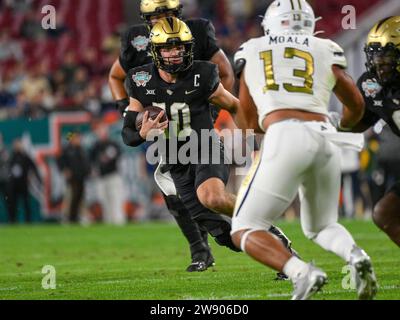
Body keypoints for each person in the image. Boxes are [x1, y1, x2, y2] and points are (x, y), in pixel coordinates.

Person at [231, 0, 377, 300]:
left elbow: (245, 119)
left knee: (244, 227)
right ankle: (357, 256)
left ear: (270, 23)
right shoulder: (325, 47)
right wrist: (343, 125)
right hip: (325, 136)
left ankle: (301, 272)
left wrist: (267, 125)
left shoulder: (252, 48)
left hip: (284, 133)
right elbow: (357, 105)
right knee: (322, 225)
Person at [109, 0, 235, 272]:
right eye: (155, 16)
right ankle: (200, 247)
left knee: (203, 193)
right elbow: (115, 76)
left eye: (167, 13)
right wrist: (130, 115)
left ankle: (241, 230)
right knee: (173, 192)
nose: (161, 20)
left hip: (197, 125)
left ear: (178, 14)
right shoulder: (136, 39)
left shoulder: (196, 31)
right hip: (165, 128)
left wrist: (210, 108)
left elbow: (225, 72)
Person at [345, 16, 400, 247]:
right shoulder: (371, 83)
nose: (380, 63)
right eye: (375, 55)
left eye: (386, 56)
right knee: (383, 215)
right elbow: (361, 121)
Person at [90, 125, 125, 225]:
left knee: (116, 198)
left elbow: (118, 156)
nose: (102, 134)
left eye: (103, 131)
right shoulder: (96, 146)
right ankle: (108, 221)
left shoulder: (112, 144)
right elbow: (92, 160)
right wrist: (94, 171)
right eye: (99, 132)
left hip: (113, 176)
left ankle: (118, 221)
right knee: (104, 199)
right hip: (101, 177)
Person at [58, 132, 91, 223]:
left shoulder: (81, 149)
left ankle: (80, 217)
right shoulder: (67, 150)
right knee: (69, 198)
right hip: (71, 179)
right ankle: (66, 217)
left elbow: (86, 164)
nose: (78, 140)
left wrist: (88, 172)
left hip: (81, 178)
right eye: (76, 138)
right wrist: (64, 169)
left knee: (81, 199)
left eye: (78, 138)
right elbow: (60, 161)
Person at [7, 139, 42, 223]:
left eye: (19, 144)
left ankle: (28, 220)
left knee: (26, 203)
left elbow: (33, 167)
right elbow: (7, 169)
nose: (17, 146)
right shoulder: (11, 156)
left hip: (23, 183)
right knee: (13, 203)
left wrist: (38, 179)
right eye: (16, 145)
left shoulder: (25, 156)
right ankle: (13, 220)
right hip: (13, 184)